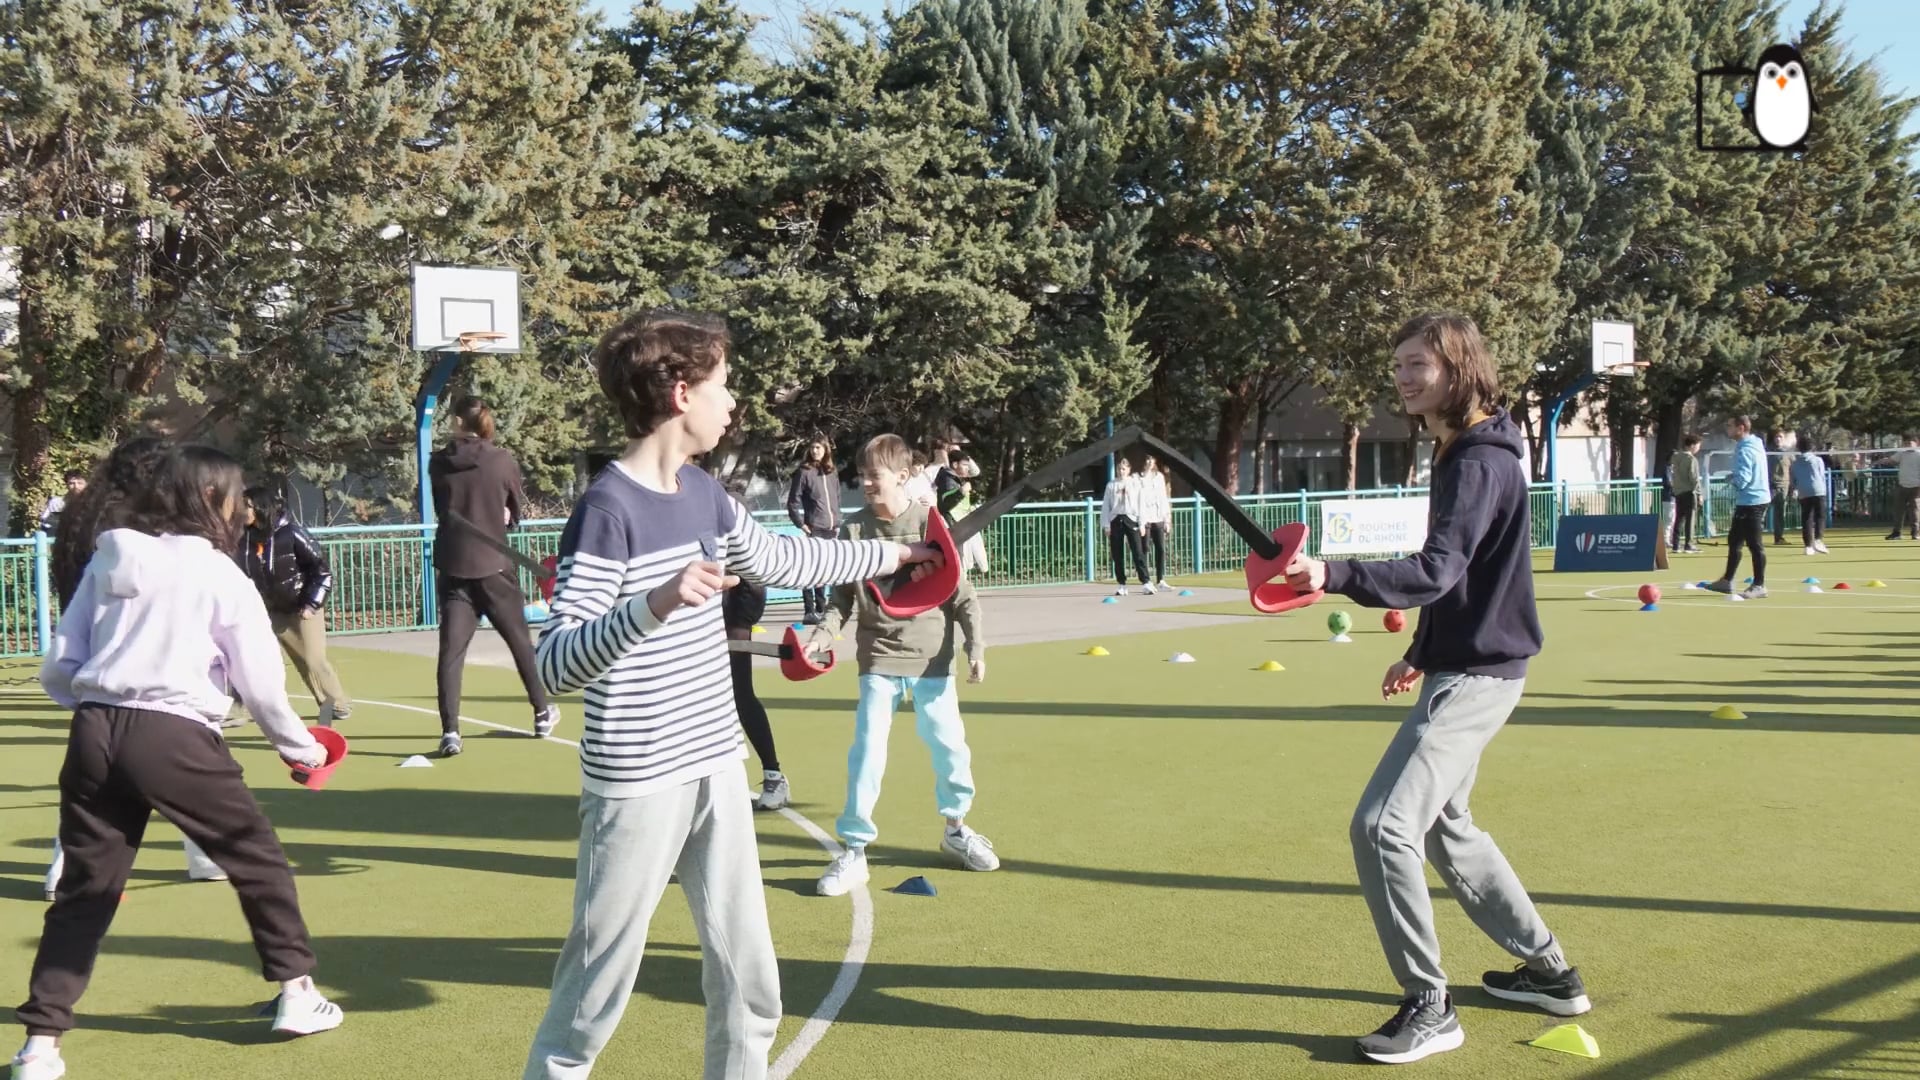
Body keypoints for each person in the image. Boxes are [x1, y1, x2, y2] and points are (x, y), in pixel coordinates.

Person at [520, 310, 943, 1080]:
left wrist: (898, 553)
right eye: (724, 385)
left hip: (716, 766)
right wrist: (654, 602)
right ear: (681, 394)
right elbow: (553, 667)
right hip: (636, 783)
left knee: (751, 989)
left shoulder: (707, 494)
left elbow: (785, 555)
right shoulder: (605, 512)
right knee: (591, 1001)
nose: (734, 399)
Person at [1284, 314, 1587, 1065]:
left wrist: (1334, 574)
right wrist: (1424, 647)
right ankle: (1550, 973)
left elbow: (1436, 569)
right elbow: (1468, 577)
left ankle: (1430, 1004)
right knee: (1449, 827)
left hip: (1480, 677)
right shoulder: (1462, 450)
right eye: (1398, 366)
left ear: (1458, 367)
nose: (1404, 377)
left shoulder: (1480, 460)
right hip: (1466, 664)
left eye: (1418, 364)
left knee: (1382, 826)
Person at [14, 445, 343, 1080]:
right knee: (259, 862)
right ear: (213, 499)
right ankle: (298, 996)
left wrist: (96, 704)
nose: (243, 506)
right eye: (236, 494)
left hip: (93, 731)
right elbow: (262, 687)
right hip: (175, 735)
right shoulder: (221, 574)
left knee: (85, 893)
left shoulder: (110, 558)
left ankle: (40, 1047)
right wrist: (302, 752)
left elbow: (59, 665)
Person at [812, 433, 996, 898]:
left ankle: (956, 829)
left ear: (903, 475)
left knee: (950, 747)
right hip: (879, 658)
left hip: (933, 660)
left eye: (875, 474)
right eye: (863, 474)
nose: (867, 482)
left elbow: (963, 596)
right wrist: (821, 632)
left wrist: (975, 646)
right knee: (867, 752)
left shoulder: (930, 526)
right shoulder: (853, 533)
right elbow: (839, 599)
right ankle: (854, 850)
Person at [41, 437, 225, 901]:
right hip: (156, 664)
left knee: (95, 782)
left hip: (98, 668)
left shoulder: (86, 521)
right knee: (194, 755)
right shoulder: (143, 527)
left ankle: (70, 869)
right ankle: (205, 853)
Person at [429, 396, 559, 756]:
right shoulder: (501, 460)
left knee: (451, 652)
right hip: (495, 565)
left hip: (455, 565)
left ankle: (451, 731)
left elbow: (444, 511)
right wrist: (501, 512)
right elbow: (514, 511)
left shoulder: (438, 463)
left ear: (456, 422)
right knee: (519, 642)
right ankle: (542, 712)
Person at [239, 485, 354, 725]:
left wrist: (311, 603)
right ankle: (245, 708)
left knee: (311, 658)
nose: (243, 510)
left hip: (301, 607)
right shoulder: (244, 537)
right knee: (255, 659)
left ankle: (336, 702)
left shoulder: (291, 533)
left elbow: (322, 571)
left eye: (248, 506)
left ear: (261, 507)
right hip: (268, 609)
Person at [724, 482, 789, 811]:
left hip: (733, 624)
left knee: (740, 695)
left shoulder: (748, 570)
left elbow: (751, 606)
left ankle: (774, 774)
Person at [1709, 416, 1770, 599]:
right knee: (1734, 540)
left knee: (1754, 544)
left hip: (1752, 500)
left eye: (1730, 425)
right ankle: (1727, 580)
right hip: (1750, 499)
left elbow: (1743, 480)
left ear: (1741, 428)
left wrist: (1731, 479)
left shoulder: (1745, 450)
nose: (1727, 428)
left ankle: (1759, 584)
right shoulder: (1755, 444)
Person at [785, 437, 841, 625]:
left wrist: (838, 521)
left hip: (832, 528)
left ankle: (821, 608)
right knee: (811, 570)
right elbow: (793, 501)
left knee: (825, 570)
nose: (815, 450)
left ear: (826, 450)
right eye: (812, 447)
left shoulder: (831, 472)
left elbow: (837, 498)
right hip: (814, 528)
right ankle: (809, 610)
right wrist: (800, 523)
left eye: (818, 447)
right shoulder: (804, 472)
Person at [1100, 457, 1153, 594]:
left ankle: (1146, 582)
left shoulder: (1135, 484)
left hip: (1131, 518)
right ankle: (1122, 584)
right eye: (1119, 469)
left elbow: (1141, 504)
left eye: (1124, 469)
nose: (1121, 471)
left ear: (1129, 470)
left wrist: (1142, 523)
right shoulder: (1111, 485)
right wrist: (1106, 525)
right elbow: (1106, 505)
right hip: (1116, 519)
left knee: (1138, 552)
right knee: (1117, 554)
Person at [1138, 454, 1175, 589]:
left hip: (1158, 516)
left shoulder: (1159, 477)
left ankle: (1160, 580)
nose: (1149, 462)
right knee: (1145, 548)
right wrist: (1140, 521)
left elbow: (1163, 499)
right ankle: (1146, 580)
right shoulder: (1139, 478)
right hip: (1145, 517)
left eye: (1151, 459)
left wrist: (1167, 519)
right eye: (1147, 459)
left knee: (1160, 548)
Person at [1788, 435, 1829, 556]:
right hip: (1818, 490)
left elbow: (1793, 480)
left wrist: (1795, 490)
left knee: (1806, 518)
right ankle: (1818, 540)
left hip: (1803, 492)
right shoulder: (1818, 460)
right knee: (1820, 516)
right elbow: (1821, 476)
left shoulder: (1794, 463)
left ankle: (1808, 546)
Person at [1669, 435, 1703, 554]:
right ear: (1692, 445)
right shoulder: (1691, 459)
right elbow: (1694, 478)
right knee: (1690, 519)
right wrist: (1699, 494)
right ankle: (1689, 544)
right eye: (1698, 445)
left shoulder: (1675, 457)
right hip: (1689, 492)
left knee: (1679, 518)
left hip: (1678, 491)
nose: (1698, 448)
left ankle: (1676, 544)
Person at [1882, 435, 1920, 540]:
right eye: (1906, 443)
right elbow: (1891, 461)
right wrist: (1881, 460)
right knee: (1898, 510)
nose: (1907, 445)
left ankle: (1915, 533)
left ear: (1916, 443)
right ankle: (1896, 533)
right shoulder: (1902, 454)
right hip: (1902, 486)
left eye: (1910, 443)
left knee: (1915, 511)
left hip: (1916, 487)